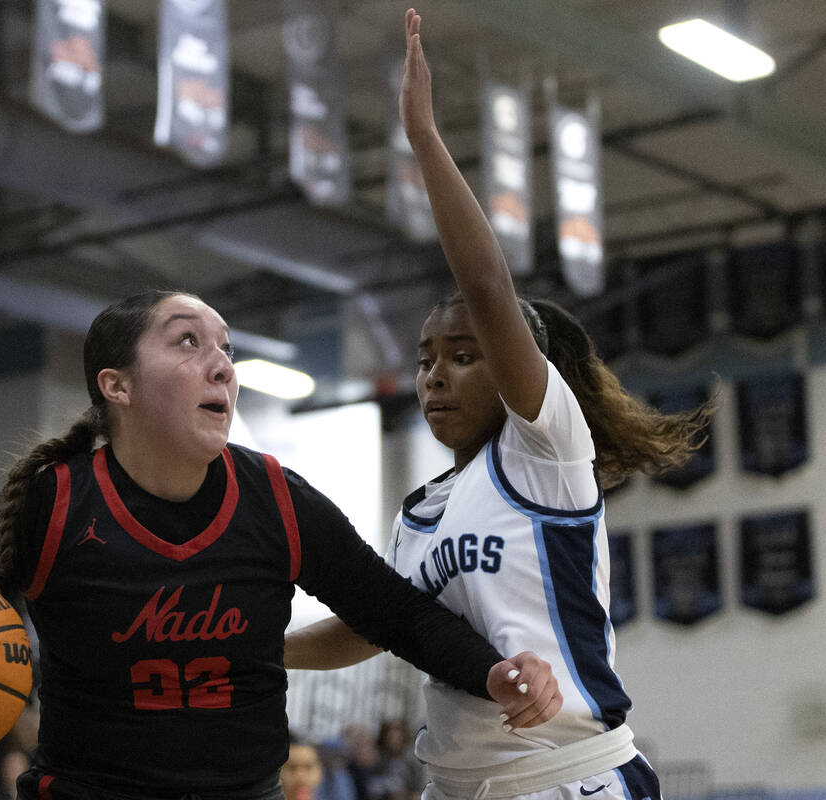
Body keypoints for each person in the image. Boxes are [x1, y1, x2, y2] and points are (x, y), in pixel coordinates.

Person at [0, 289, 563, 800]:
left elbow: (396, 612)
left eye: (226, 349)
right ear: (118, 386)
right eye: (188, 343)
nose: (222, 365)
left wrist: (492, 671)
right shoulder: (50, 501)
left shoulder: (274, 497)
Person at [284, 10, 715, 800]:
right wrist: (259, 644)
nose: (434, 378)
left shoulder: (545, 452)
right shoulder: (421, 513)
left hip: (564, 776)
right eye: (423, 362)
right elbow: (383, 628)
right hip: (454, 783)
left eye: (462, 355)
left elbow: (486, 287)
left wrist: (423, 138)